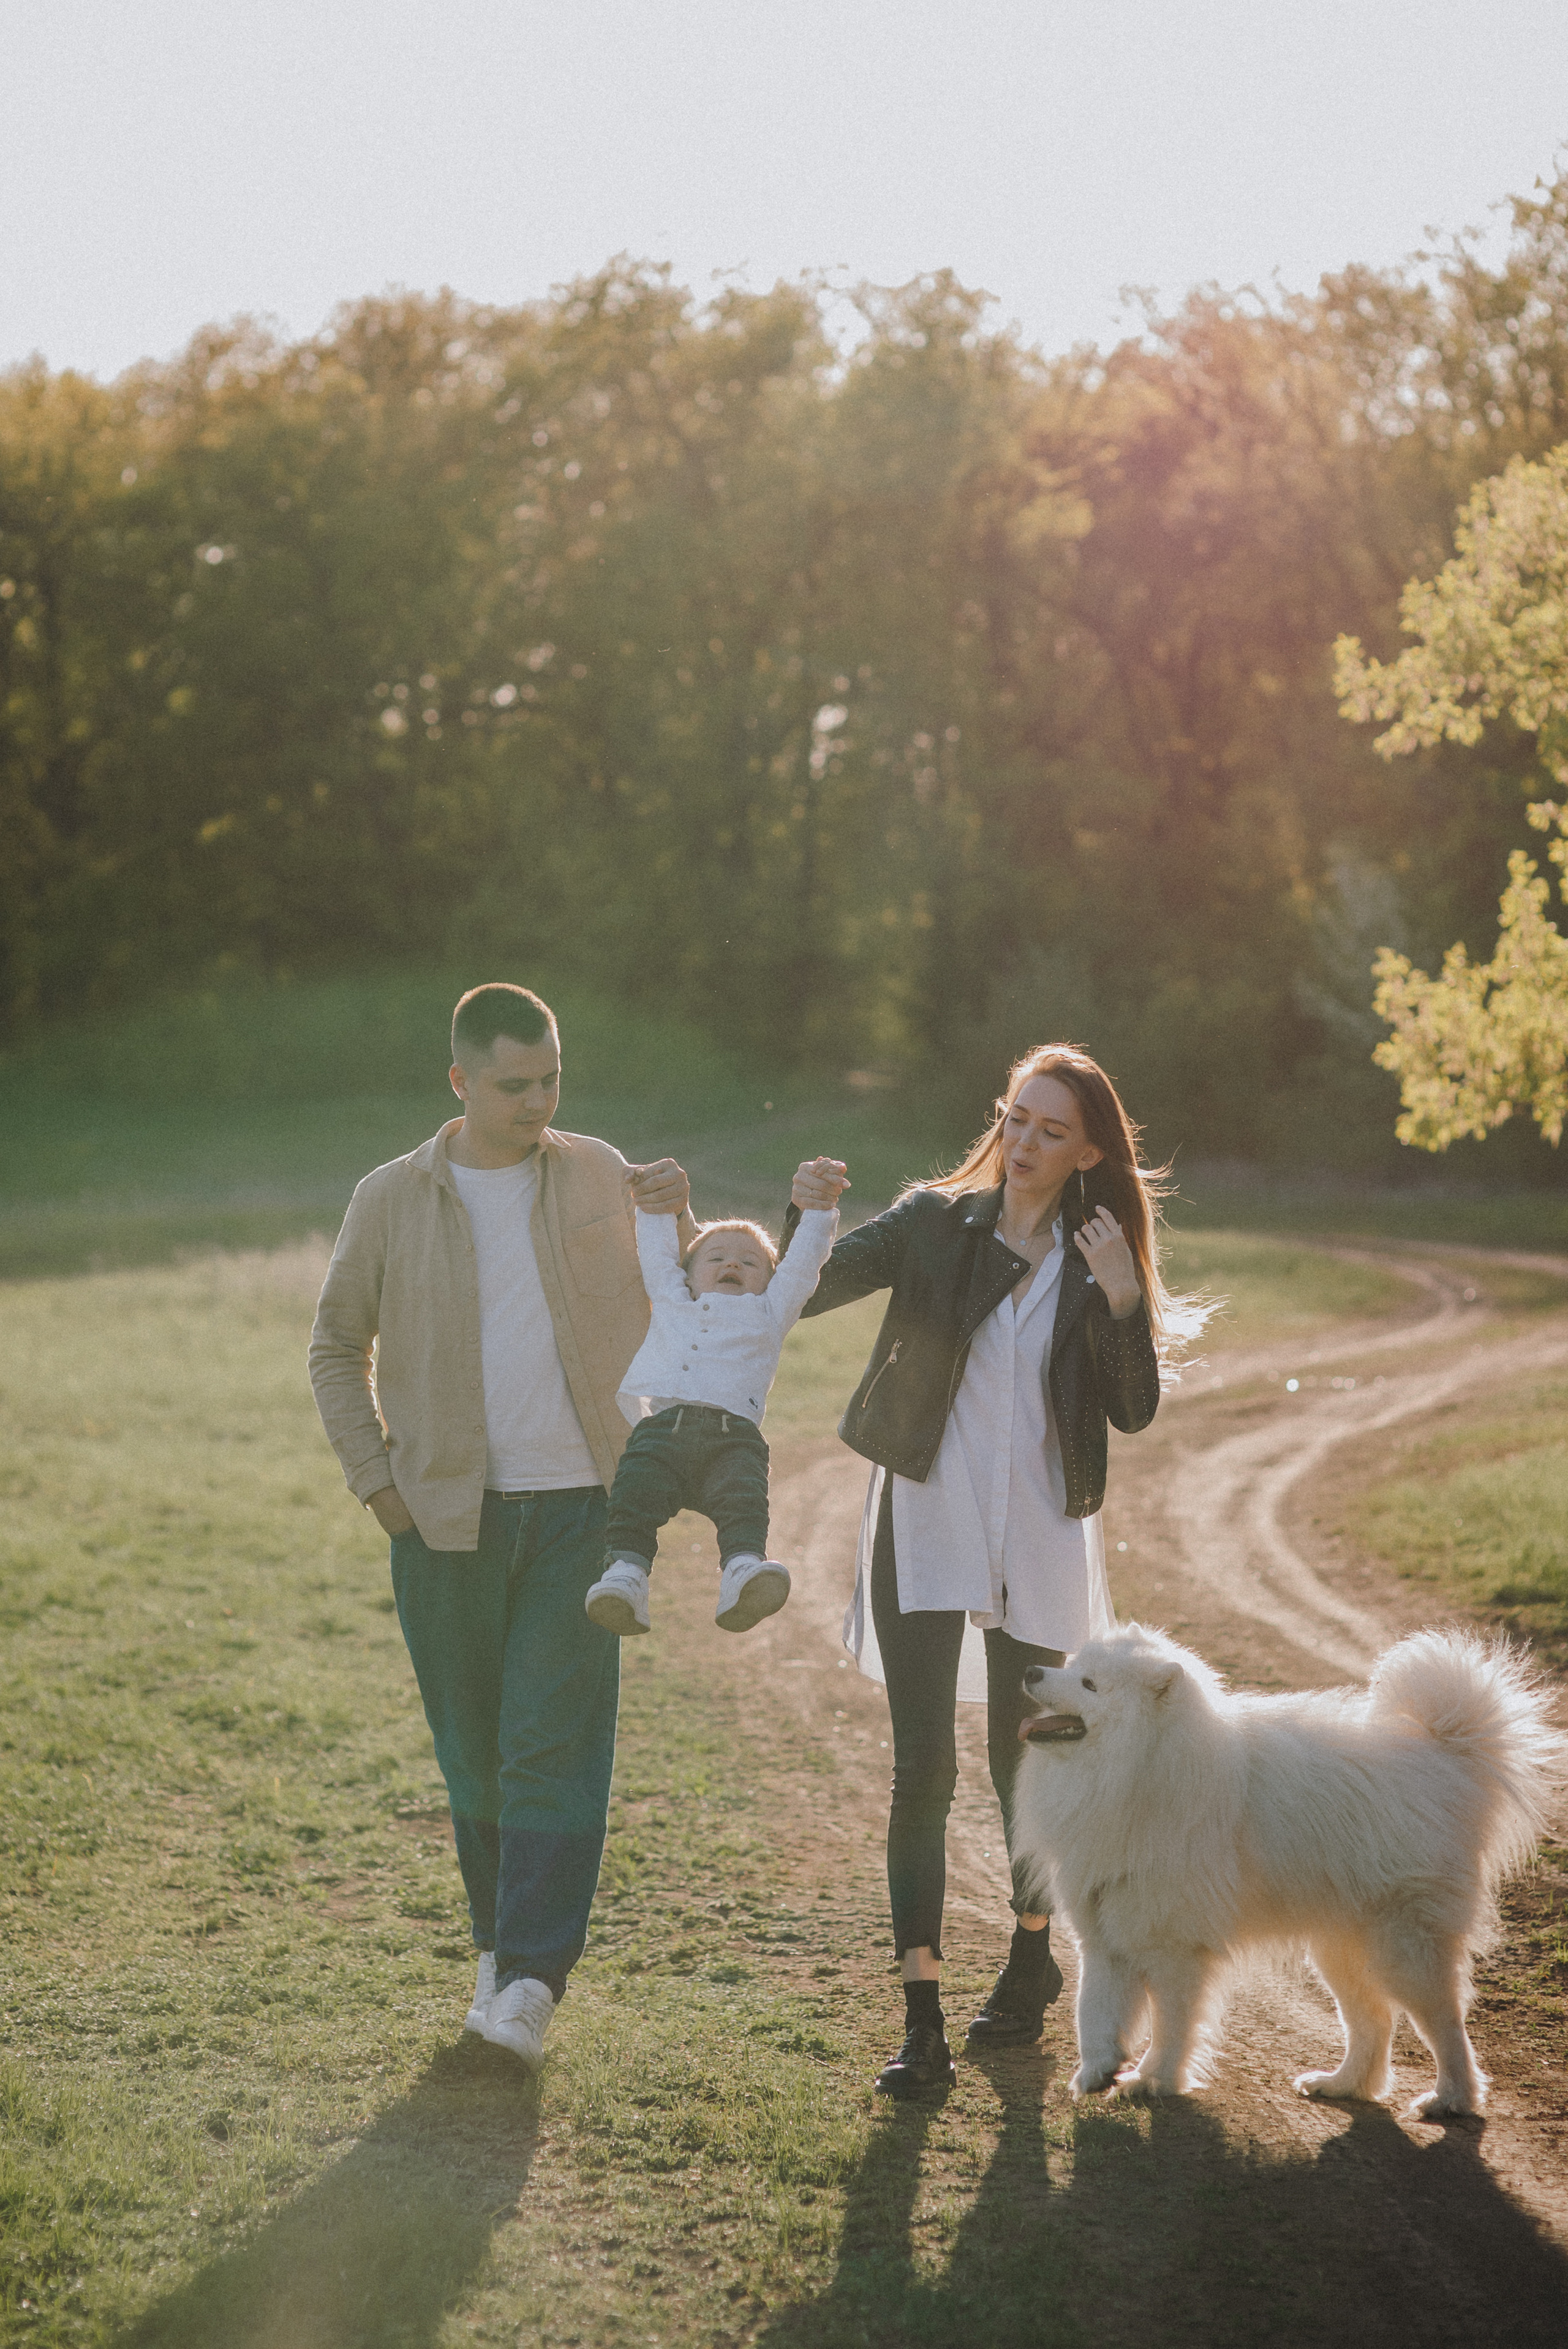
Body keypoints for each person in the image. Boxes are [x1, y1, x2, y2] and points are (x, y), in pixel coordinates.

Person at [788, 1043, 1201, 2097]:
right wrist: (802, 1220)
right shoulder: (934, 1220)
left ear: (1090, 1149)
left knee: (1025, 1769)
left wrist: (1119, 1298)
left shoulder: (1098, 1250)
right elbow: (805, 1289)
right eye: (1016, 1118)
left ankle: (1030, 1956)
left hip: (1043, 1532)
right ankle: (920, 2019)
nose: (1023, 1142)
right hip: (925, 1514)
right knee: (922, 1769)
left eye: (1050, 1129)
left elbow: (1133, 1408)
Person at [308, 982, 694, 2074]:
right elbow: (335, 1345)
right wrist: (377, 1481)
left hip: (584, 1507)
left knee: (551, 1749)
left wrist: (679, 1214)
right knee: (474, 1754)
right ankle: (497, 1947)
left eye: (552, 1079)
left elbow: (688, 1296)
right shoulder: (389, 1196)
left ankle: (530, 1978)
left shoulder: (595, 1170)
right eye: (515, 1084)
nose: (539, 1101)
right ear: (461, 1081)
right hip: (444, 1522)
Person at [584, 1173, 846, 1639]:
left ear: (770, 1281)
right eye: (717, 1257)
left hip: (733, 1439)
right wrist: (655, 1208)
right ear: (688, 1273)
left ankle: (743, 1572)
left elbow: (805, 1265)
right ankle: (627, 1574)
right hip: (663, 1430)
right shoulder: (672, 1299)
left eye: (751, 1262)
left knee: (743, 1500)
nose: (733, 1264)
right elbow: (656, 1256)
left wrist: (820, 1211)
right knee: (635, 1495)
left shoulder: (770, 1310)